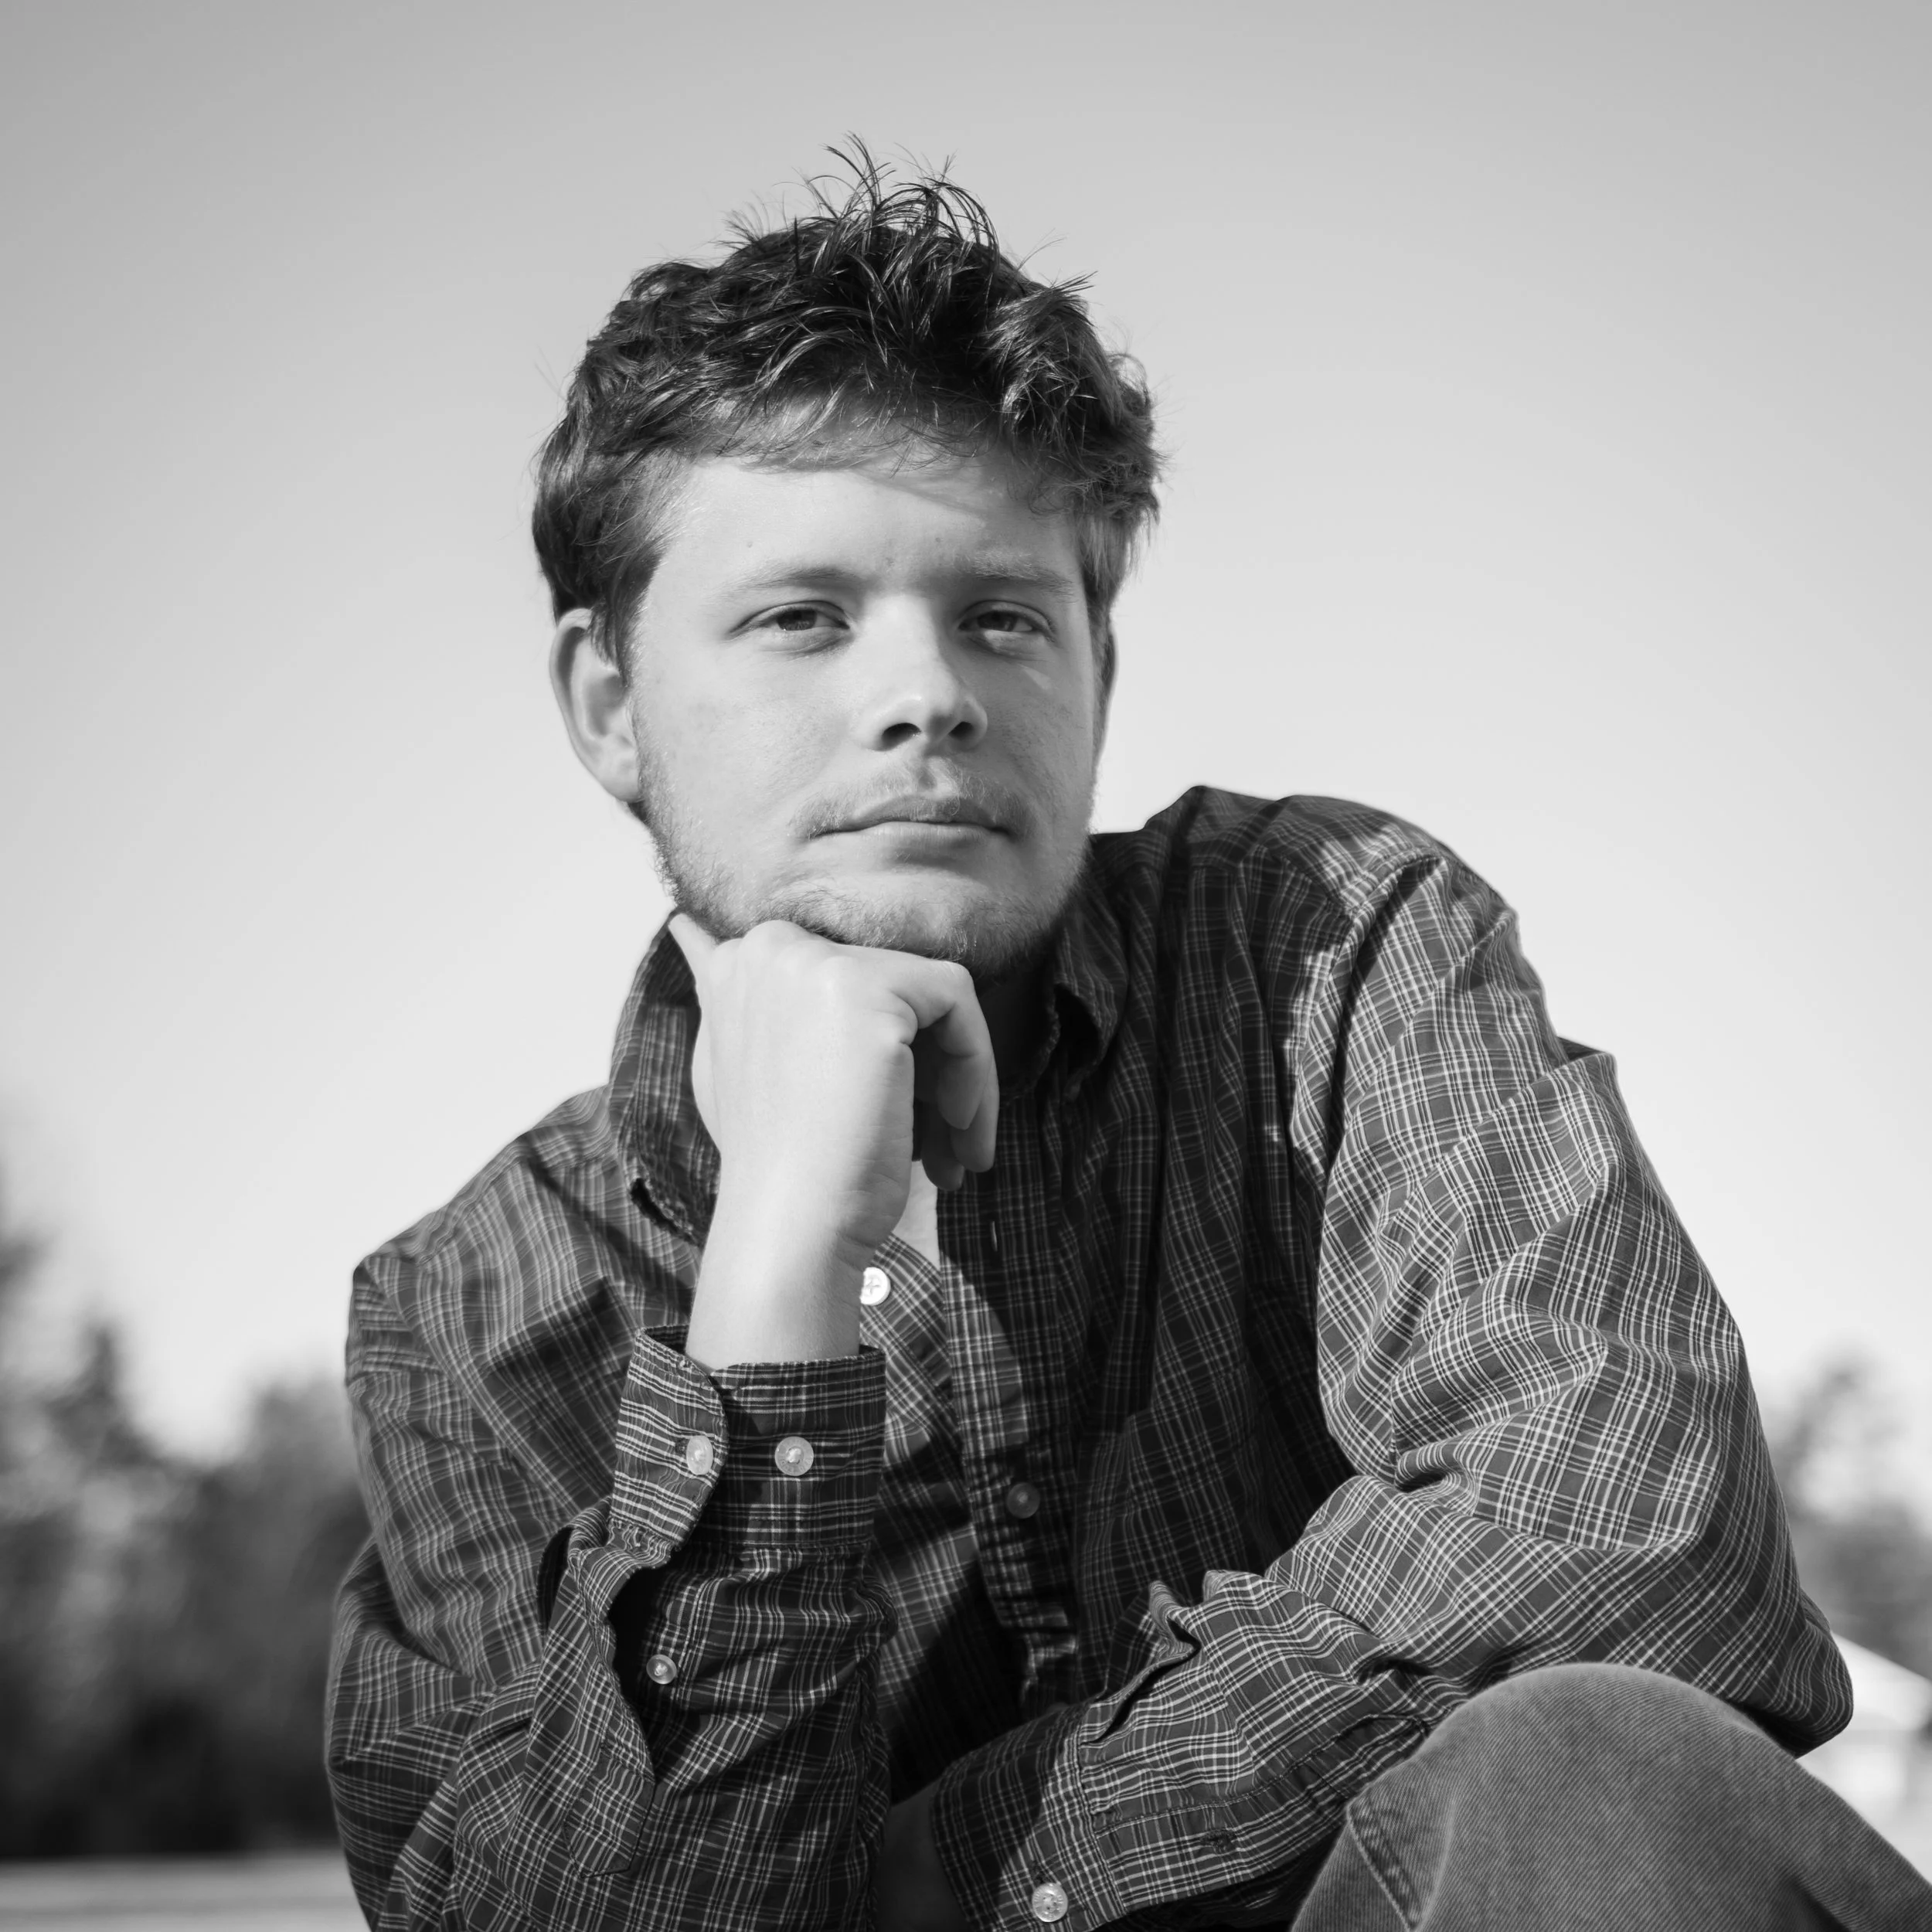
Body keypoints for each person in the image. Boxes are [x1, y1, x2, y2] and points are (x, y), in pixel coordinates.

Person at [324, 158, 1932, 1930]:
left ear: (1099, 662)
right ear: (608, 701)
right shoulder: (471, 1312)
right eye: (800, 617)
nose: (926, 694)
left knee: (1595, 1769)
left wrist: (926, 1884)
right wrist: (775, 1279)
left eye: (1002, 616)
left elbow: (1629, 1542)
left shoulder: (1324, 949)